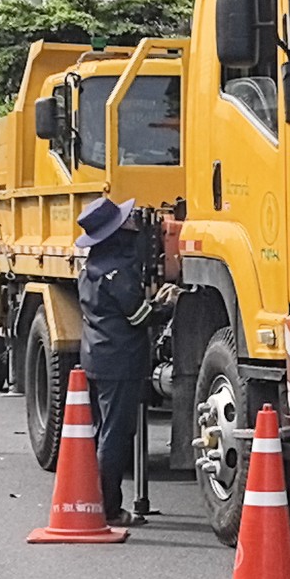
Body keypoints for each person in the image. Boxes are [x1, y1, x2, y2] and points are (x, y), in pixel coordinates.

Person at [75, 197, 166, 528]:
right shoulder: (118, 272)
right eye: (126, 224)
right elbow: (139, 316)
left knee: (101, 432)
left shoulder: (91, 270)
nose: (133, 227)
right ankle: (108, 508)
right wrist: (166, 305)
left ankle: (92, 500)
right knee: (115, 436)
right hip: (121, 362)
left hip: (96, 358)